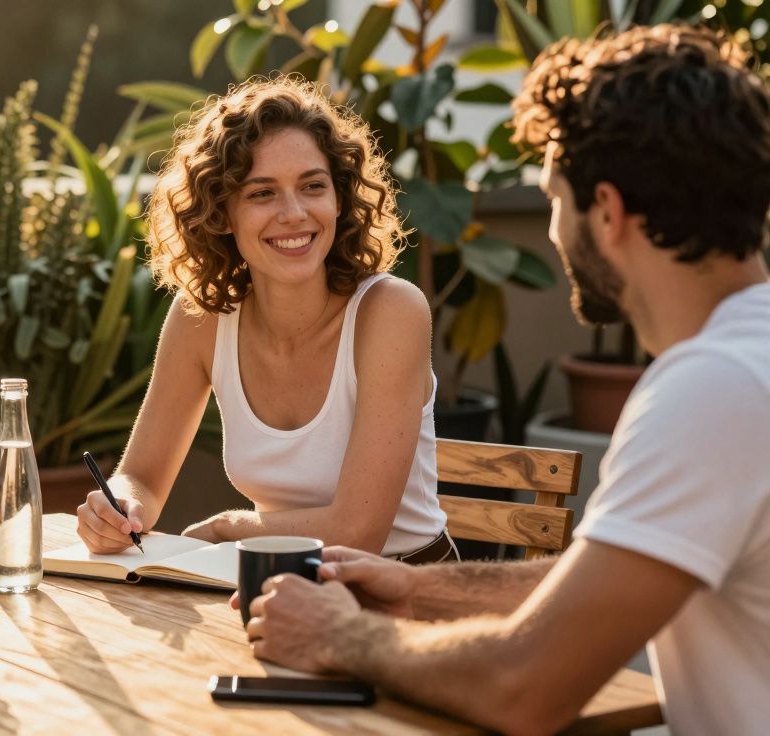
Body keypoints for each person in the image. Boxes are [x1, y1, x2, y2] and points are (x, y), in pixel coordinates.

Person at [244, 24, 770, 735]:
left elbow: (524, 687)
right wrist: (418, 589)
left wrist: (339, 636)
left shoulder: (714, 390)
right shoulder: (745, 361)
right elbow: (599, 576)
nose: (553, 230)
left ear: (607, 212)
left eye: (554, 197)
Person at [77, 77, 455, 564]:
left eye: (313, 186)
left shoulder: (391, 312)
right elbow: (142, 478)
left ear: (339, 200)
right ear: (222, 213)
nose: (294, 213)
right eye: (262, 193)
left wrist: (230, 527)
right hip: (273, 580)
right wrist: (119, 507)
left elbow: (358, 531)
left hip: (404, 585)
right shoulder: (204, 320)